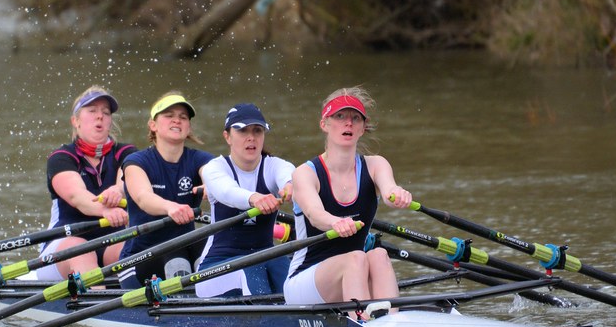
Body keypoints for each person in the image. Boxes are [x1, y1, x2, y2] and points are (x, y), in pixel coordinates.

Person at [283, 87, 413, 312]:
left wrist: (398, 195)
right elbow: (315, 214)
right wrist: (335, 222)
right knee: (356, 258)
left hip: (355, 273)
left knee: (379, 255)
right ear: (324, 124)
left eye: (355, 118)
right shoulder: (305, 173)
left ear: (363, 127)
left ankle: (392, 322)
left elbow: (390, 190)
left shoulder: (376, 165)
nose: (348, 123)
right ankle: (362, 323)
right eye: (339, 116)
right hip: (305, 281)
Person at [195, 103, 296, 298]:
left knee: (287, 269)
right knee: (251, 270)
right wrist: (254, 198)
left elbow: (288, 172)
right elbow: (227, 192)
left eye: (257, 130)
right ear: (227, 137)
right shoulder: (215, 168)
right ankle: (269, 323)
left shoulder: (273, 166)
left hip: (265, 258)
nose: (251, 137)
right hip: (216, 267)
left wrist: (291, 185)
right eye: (242, 130)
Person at [34, 86, 134, 282]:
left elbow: (129, 178)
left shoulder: (127, 153)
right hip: (64, 247)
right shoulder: (62, 157)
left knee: (135, 247)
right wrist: (106, 210)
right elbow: (77, 197)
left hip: (111, 244)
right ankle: (96, 306)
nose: (100, 117)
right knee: (82, 251)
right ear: (75, 121)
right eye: (92, 111)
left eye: (106, 113)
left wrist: (118, 189)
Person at [117, 91, 214, 290]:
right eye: (169, 115)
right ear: (153, 125)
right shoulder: (136, 162)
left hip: (182, 250)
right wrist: (171, 208)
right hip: (139, 258)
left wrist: (211, 185)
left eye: (183, 117)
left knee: (209, 245)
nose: (177, 120)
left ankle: (215, 300)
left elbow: (212, 174)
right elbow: (144, 198)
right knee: (175, 256)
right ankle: (186, 307)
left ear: (188, 128)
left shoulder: (201, 159)